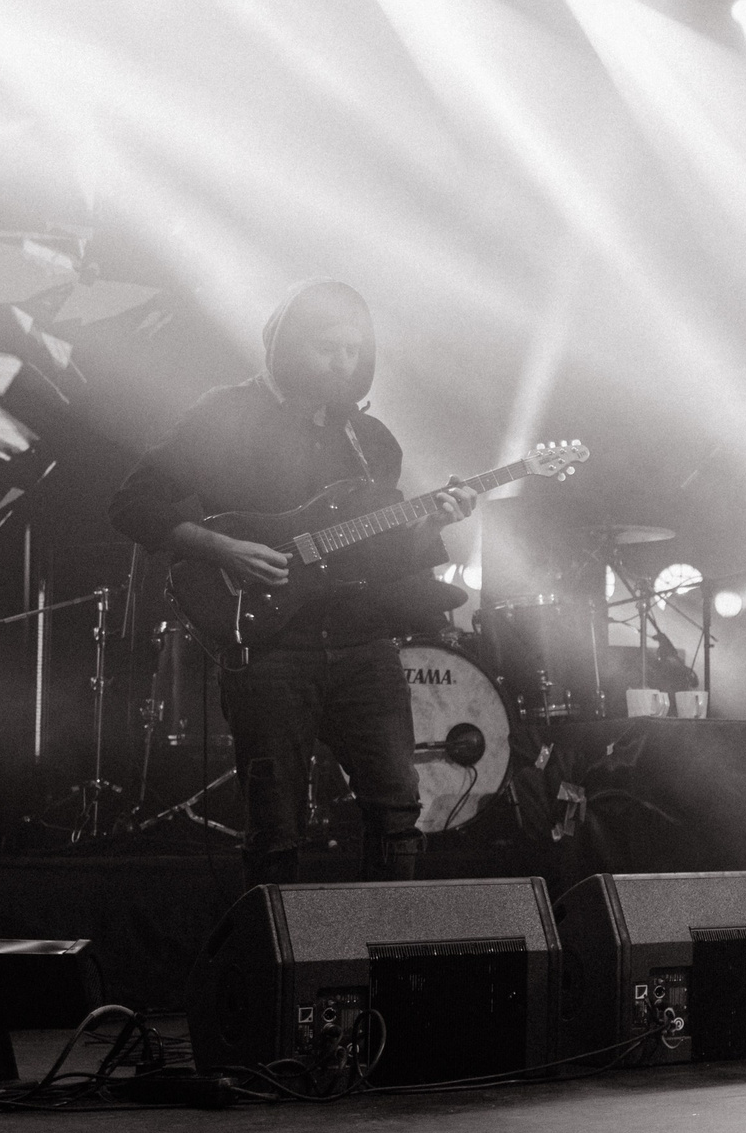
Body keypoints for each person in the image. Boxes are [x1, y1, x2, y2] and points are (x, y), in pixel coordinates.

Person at [109, 281, 474, 888]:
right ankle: (280, 967)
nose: (343, 363)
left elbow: (384, 556)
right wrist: (224, 548)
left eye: (354, 351)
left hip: (363, 643)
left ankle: (390, 956)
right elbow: (132, 504)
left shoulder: (371, 439)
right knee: (276, 827)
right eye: (327, 348)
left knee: (398, 809)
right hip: (272, 647)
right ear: (285, 345)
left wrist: (432, 521)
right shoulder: (224, 414)